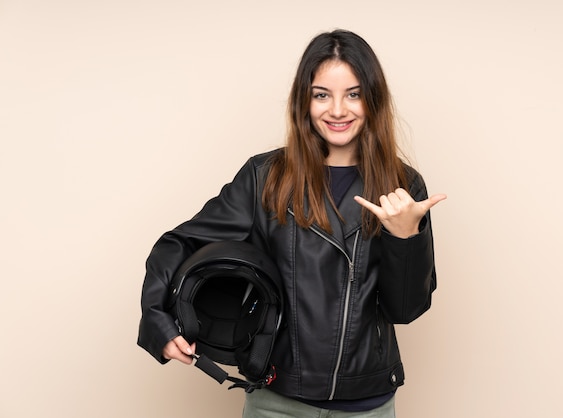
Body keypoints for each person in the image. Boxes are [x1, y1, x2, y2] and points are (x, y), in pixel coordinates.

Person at [138, 29, 446, 417]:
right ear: (305, 100)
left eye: (353, 94)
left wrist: (404, 236)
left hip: (368, 404)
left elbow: (405, 309)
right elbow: (178, 244)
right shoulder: (264, 177)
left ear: (373, 100)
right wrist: (159, 322)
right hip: (276, 401)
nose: (338, 110)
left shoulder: (404, 186)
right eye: (322, 95)